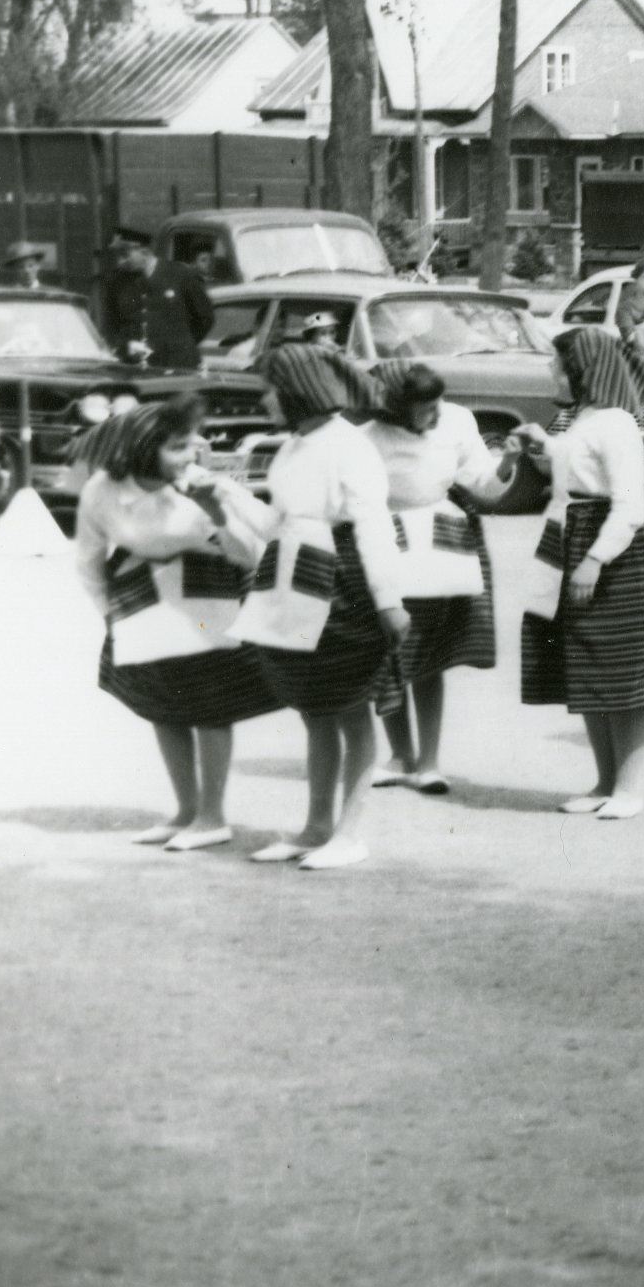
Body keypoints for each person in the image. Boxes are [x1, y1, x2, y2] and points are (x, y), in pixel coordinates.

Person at [232, 346, 410, 871]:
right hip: (291, 580)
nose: (264, 399)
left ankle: (350, 833)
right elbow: (273, 523)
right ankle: (315, 827)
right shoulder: (292, 446)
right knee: (314, 710)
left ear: (296, 390)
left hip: (341, 582)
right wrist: (220, 493)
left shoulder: (348, 446)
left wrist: (389, 600)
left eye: (269, 389)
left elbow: (373, 524)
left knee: (349, 707)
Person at [74, 394, 276, 851]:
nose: (191, 455)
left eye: (190, 444)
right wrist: (109, 615)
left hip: (209, 592)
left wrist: (219, 509)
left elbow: (249, 552)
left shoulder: (203, 485)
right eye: (178, 447)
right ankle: (185, 810)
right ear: (144, 449)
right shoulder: (102, 489)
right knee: (162, 703)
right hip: (141, 592)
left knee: (210, 704)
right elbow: (87, 558)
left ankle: (212, 816)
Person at [516, 326, 644, 820]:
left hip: (614, 555)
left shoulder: (616, 423)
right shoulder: (583, 418)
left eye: (557, 365)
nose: (552, 373)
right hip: (574, 536)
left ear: (580, 370)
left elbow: (629, 503)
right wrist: (541, 452)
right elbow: (577, 473)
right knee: (588, 668)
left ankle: (630, 788)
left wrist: (596, 559)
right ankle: (604, 781)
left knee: (624, 675)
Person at [364, 360, 513, 794]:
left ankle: (428, 761)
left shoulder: (459, 421)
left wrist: (509, 464)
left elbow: (484, 483)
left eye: (438, 402)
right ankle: (399, 755)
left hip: (442, 545)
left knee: (429, 655)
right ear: (395, 407)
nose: (437, 412)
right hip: (387, 542)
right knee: (390, 654)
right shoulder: (367, 438)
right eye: (426, 407)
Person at [95, 226, 215, 371]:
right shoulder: (117, 283)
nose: (120, 261)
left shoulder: (179, 275)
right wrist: (126, 347)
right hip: (137, 370)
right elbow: (110, 327)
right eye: (118, 255)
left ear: (144, 251)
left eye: (125, 254)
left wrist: (180, 344)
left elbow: (205, 318)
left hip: (180, 368)